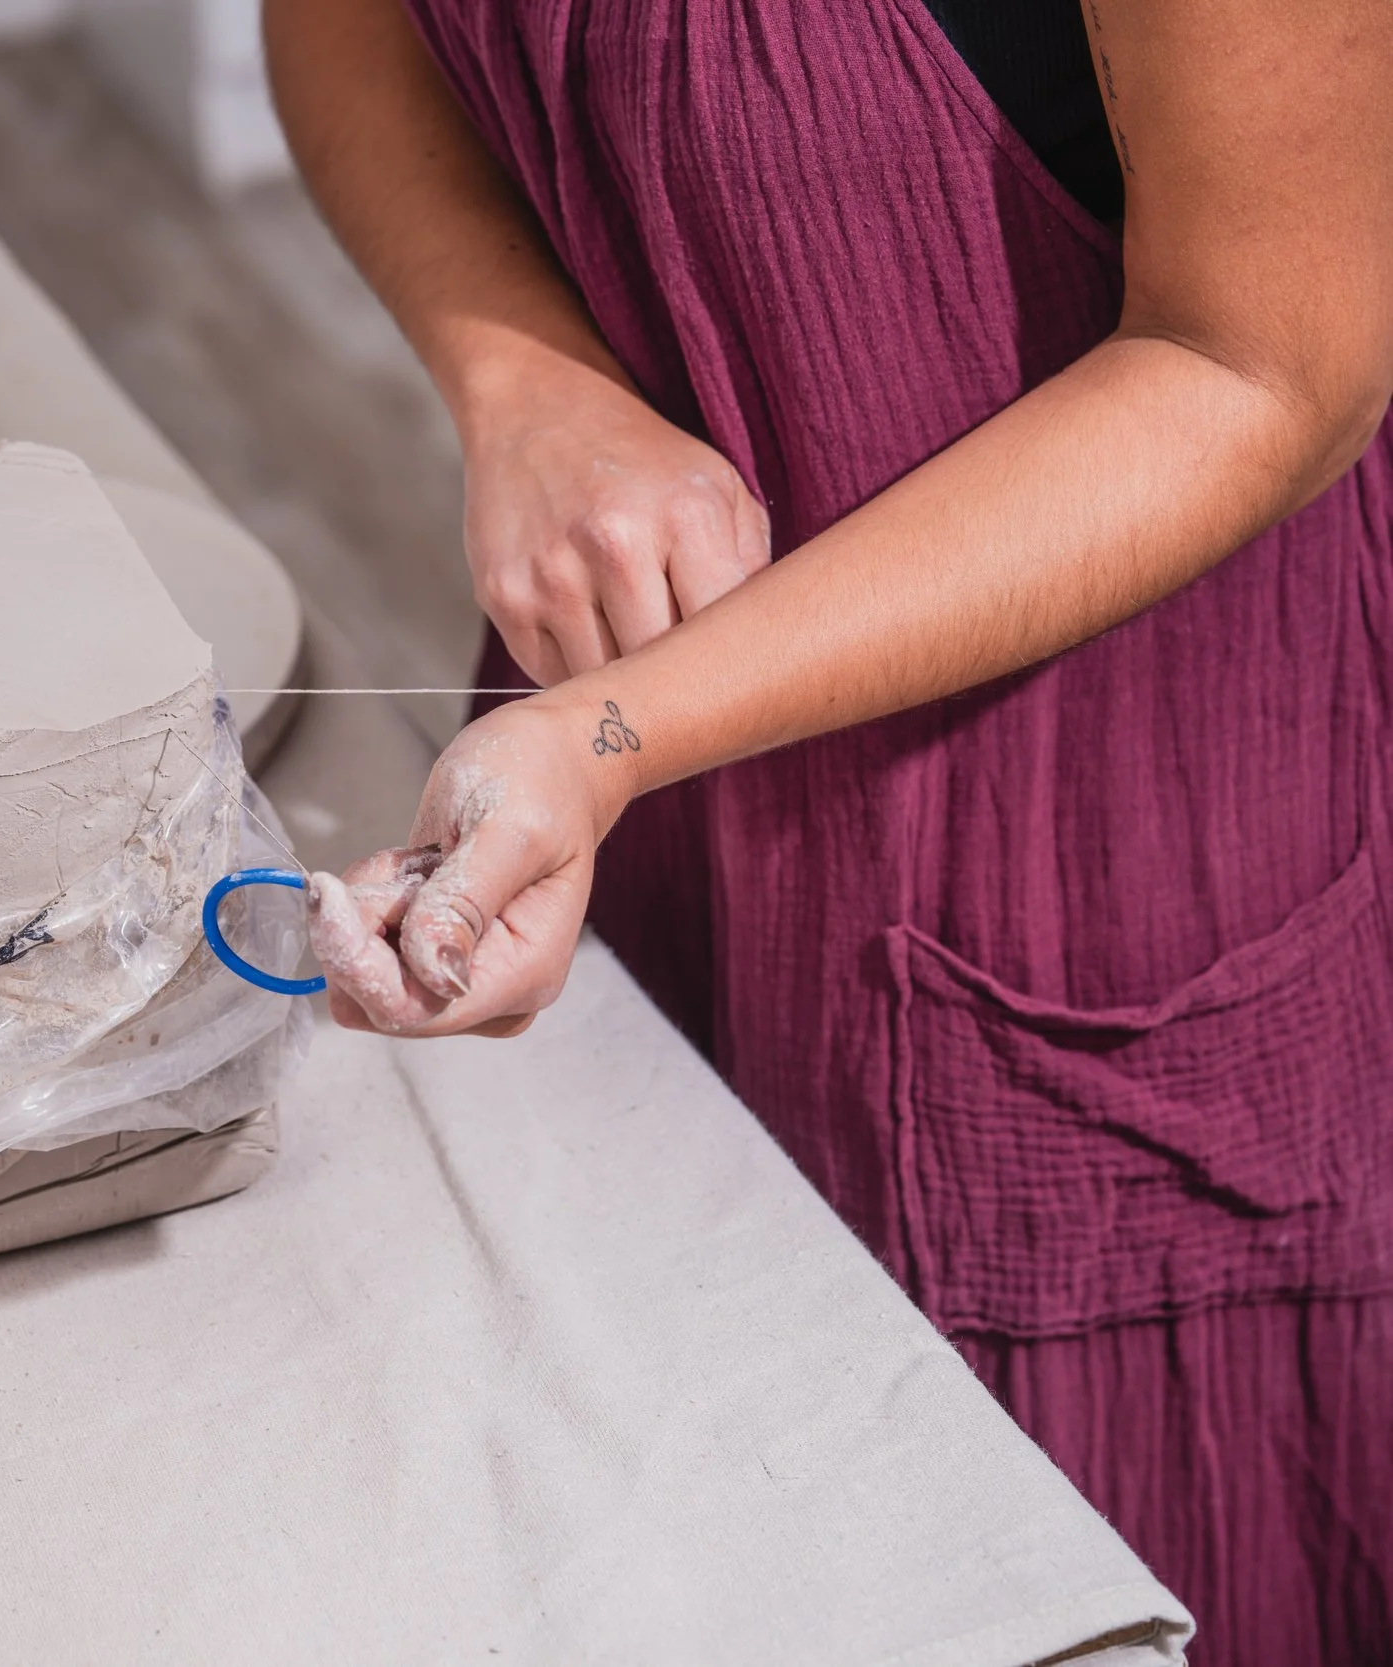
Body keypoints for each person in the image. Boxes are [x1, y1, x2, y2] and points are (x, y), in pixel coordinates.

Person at [264, 0, 1393, 1659]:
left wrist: (616, 735)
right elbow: (344, 27)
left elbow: (1273, 364)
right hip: (640, 778)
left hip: (1089, 821)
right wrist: (523, 377)